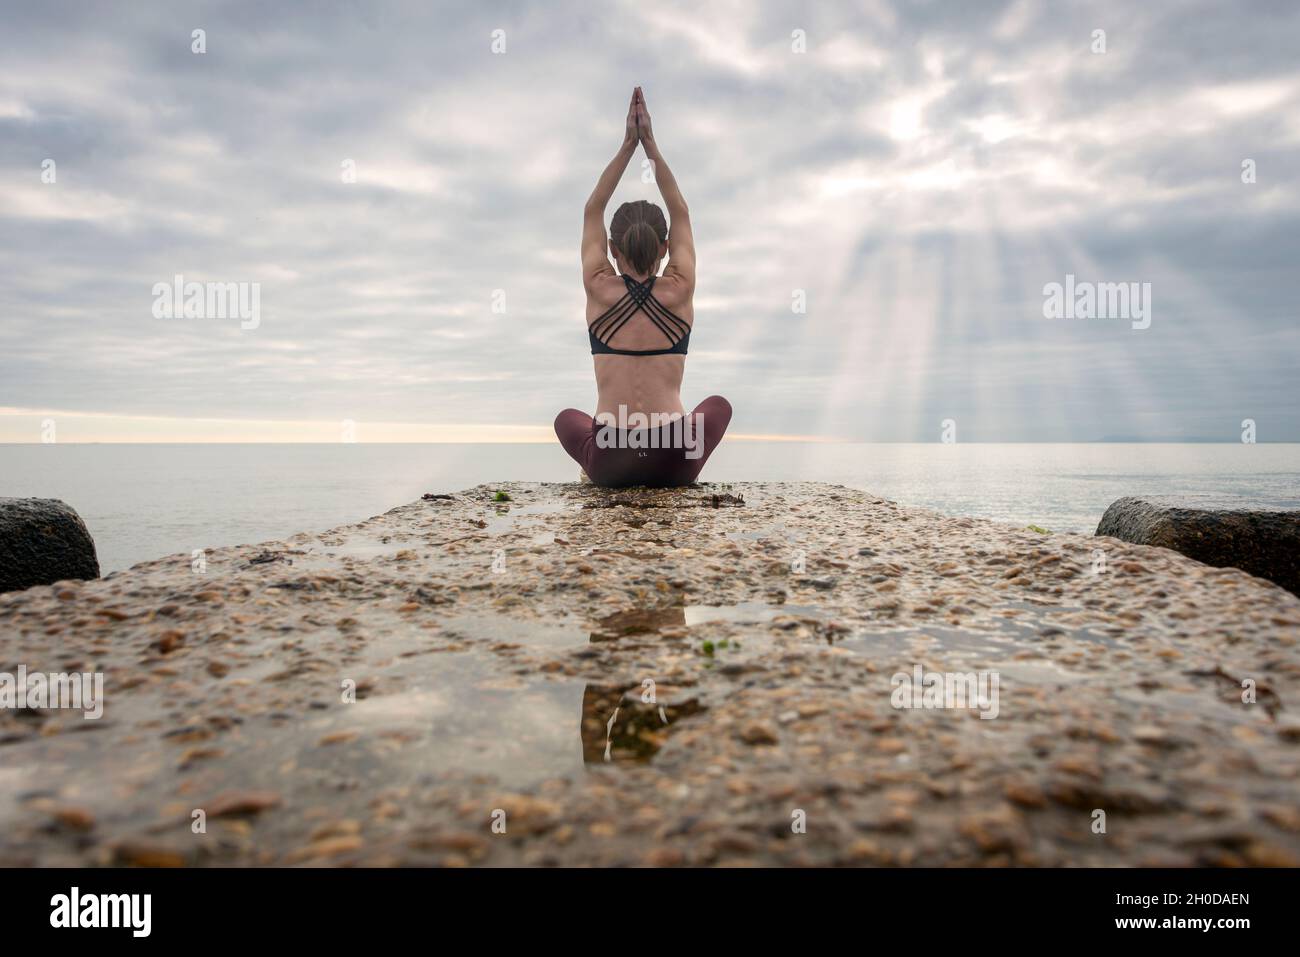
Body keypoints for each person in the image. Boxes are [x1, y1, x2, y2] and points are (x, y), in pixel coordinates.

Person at [554, 87, 731, 487]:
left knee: (568, 418)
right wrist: (650, 145)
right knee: (718, 406)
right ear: (665, 248)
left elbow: (592, 209)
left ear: (612, 250)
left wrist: (626, 146)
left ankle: (592, 468)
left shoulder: (598, 285)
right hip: (674, 459)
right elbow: (680, 210)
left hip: (609, 461)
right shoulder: (680, 287)